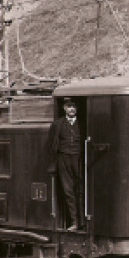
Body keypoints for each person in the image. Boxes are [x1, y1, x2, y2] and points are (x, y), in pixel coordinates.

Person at [47, 98, 82, 231]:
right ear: (64, 108)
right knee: (68, 191)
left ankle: (83, 221)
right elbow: (52, 144)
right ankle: (74, 222)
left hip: (79, 159)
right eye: (69, 106)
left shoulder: (82, 124)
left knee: (80, 190)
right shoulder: (58, 124)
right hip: (63, 159)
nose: (72, 109)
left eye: (74, 106)